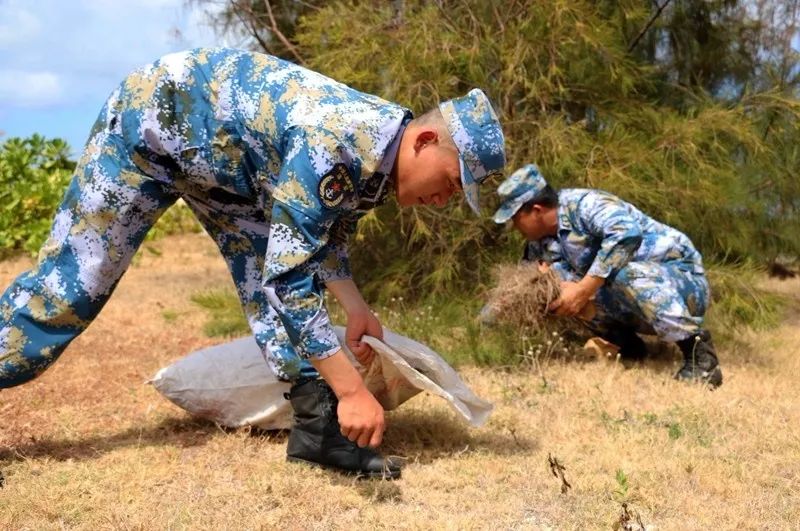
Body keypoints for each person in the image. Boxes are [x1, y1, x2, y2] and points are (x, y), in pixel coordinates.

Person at [0, 48, 506, 478]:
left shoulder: (380, 152)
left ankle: (318, 433)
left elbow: (324, 233)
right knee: (75, 287)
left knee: (275, 288)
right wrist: (352, 390)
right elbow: (289, 280)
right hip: (154, 121)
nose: (445, 198)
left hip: (227, 170)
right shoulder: (335, 140)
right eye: (452, 181)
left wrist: (355, 306)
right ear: (424, 141)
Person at [492, 164, 722, 387]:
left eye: (514, 218)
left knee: (622, 273)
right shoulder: (539, 242)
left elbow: (626, 236)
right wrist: (497, 310)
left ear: (536, 211)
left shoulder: (585, 205)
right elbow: (529, 281)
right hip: (633, 301)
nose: (514, 226)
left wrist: (583, 290)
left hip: (682, 287)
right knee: (553, 286)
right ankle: (628, 347)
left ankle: (701, 358)